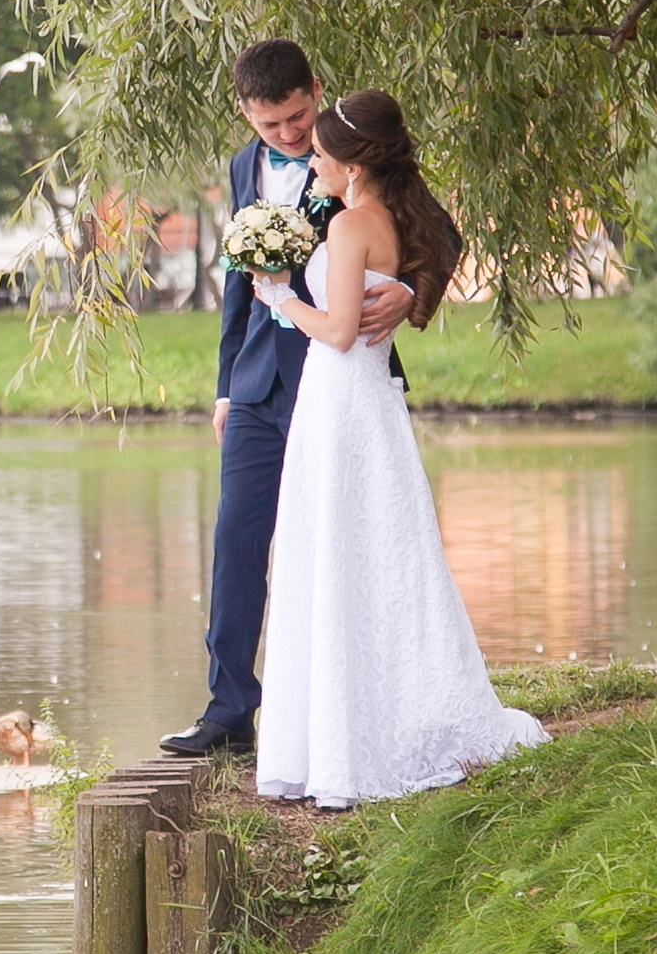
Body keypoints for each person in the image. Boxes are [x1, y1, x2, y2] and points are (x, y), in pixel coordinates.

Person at [251, 90, 547, 806]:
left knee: (342, 549)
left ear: (351, 164)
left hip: (343, 399)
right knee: (377, 550)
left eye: (318, 152)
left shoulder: (354, 223)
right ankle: (354, 730)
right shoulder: (387, 212)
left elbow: (341, 330)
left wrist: (281, 298)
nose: (308, 158)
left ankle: (350, 747)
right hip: (363, 403)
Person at [161, 41, 412, 757]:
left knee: (335, 546)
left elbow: (432, 234)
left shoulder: (355, 151)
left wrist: (410, 290)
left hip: (335, 384)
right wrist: (222, 389)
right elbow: (239, 283)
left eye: (297, 119)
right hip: (254, 388)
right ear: (246, 113)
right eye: (270, 127)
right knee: (235, 540)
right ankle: (229, 711)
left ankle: (349, 706)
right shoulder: (244, 167)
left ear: (316, 90)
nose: (288, 137)